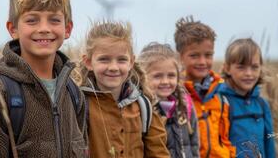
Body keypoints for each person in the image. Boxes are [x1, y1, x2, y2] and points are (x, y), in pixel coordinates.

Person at [0, 0, 88, 158]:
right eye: (32, 20)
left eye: (54, 20)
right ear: (13, 29)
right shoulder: (0, 94)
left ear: (67, 29)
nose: (44, 28)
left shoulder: (73, 94)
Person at [77, 20, 169, 158]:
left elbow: (159, 153)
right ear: (89, 62)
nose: (113, 67)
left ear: (131, 62)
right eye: (104, 59)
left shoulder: (143, 108)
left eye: (121, 60)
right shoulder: (78, 105)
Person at [174, 15, 235, 158]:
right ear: (179, 57)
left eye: (208, 55)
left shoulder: (220, 95)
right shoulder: (176, 96)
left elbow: (225, 138)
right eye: (194, 56)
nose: (202, 62)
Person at [138, 42, 200, 158]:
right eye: (157, 76)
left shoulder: (185, 106)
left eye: (171, 75)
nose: (165, 81)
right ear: (143, 77)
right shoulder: (142, 110)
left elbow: (194, 144)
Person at [220, 38, 275, 158]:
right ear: (227, 68)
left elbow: (269, 145)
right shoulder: (221, 102)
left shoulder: (262, 105)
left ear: (261, 68)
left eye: (254, 67)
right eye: (241, 67)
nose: (249, 73)